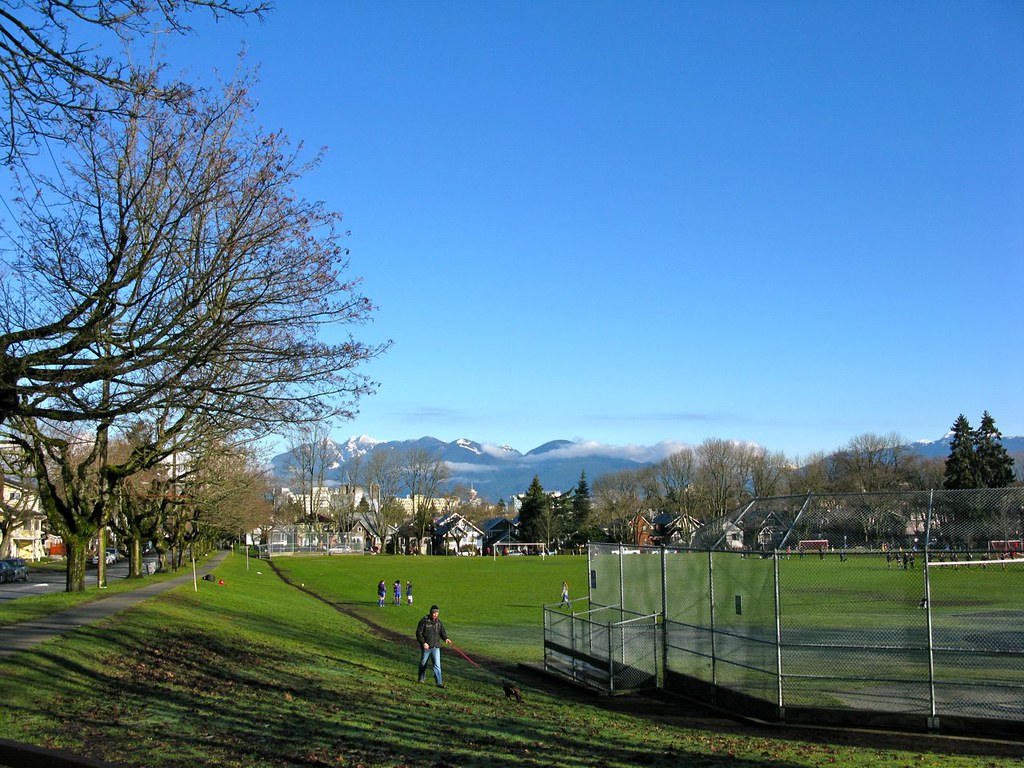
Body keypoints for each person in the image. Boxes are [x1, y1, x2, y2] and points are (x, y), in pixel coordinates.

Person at [416, 604, 451, 687]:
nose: (435, 614)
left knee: (437, 665)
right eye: (434, 613)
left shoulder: (439, 622)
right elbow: (419, 634)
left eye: (437, 613)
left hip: (436, 647)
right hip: (426, 648)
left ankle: (439, 683)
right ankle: (421, 678)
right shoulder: (423, 621)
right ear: (431, 612)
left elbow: (442, 632)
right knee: (423, 664)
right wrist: (423, 643)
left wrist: (446, 638)